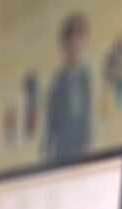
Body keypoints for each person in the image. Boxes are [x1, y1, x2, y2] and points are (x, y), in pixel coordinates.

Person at [44, 12, 92, 162]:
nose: (76, 44)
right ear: (65, 42)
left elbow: (87, 113)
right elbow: (51, 120)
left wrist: (86, 145)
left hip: (80, 144)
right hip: (62, 146)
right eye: (72, 38)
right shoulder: (58, 80)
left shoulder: (85, 76)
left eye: (80, 38)